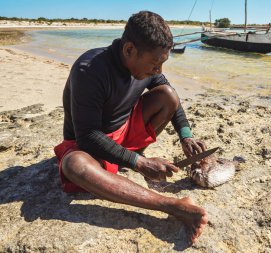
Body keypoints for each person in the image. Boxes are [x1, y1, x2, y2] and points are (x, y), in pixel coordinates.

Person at [54, 11, 208, 243]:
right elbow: (87, 136)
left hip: (124, 133)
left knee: (167, 95)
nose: (159, 71)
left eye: (163, 63)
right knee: (74, 165)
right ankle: (174, 206)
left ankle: (127, 159)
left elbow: (170, 96)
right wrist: (139, 162)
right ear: (129, 50)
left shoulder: (148, 65)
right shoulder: (90, 69)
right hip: (89, 145)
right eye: (155, 64)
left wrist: (185, 135)